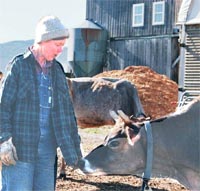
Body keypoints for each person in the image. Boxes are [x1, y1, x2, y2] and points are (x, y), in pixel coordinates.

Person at [0, 15, 82, 191]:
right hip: (20, 149)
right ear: (43, 40)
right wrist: (3, 141)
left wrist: (75, 148)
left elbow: (68, 114)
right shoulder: (19, 66)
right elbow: (3, 107)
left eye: (63, 46)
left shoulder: (58, 71)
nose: (61, 50)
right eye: (58, 45)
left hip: (47, 152)